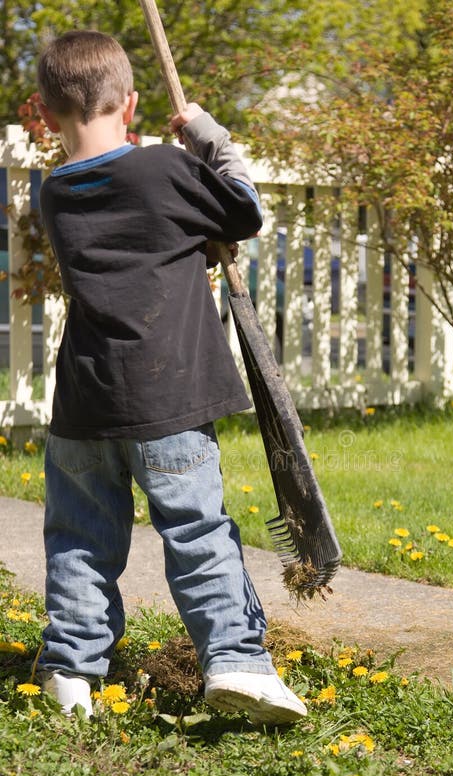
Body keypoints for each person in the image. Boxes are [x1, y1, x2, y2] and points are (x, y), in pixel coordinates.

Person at [34, 29, 306, 726]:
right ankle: (237, 662)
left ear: (44, 112)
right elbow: (243, 209)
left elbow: (156, 239)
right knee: (196, 531)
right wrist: (208, 137)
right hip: (168, 401)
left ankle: (71, 671)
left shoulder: (55, 192)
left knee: (80, 539)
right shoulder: (163, 167)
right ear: (129, 104)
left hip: (83, 406)